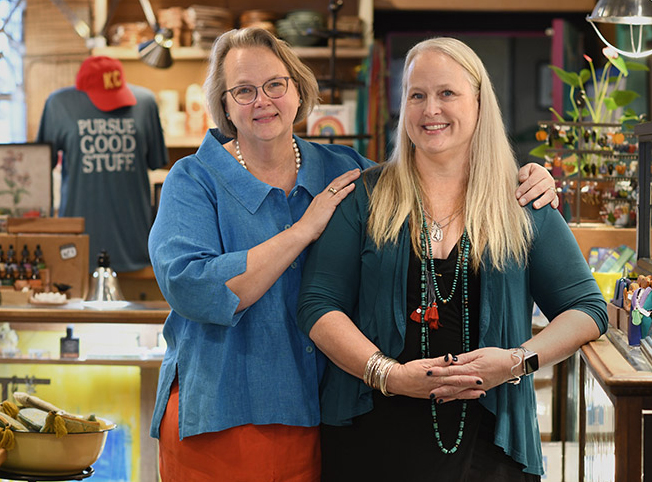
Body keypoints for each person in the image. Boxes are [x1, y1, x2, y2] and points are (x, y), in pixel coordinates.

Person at [148, 27, 558, 481]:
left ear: (298, 91)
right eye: (242, 91)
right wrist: (303, 230)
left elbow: (429, 176)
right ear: (224, 104)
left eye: (274, 85)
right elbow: (194, 289)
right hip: (223, 412)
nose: (261, 100)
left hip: (315, 414)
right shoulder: (194, 178)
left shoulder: (342, 168)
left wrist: (527, 177)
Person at [297, 37, 608, 481]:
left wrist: (517, 361)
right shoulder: (365, 196)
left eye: (447, 93)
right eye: (417, 95)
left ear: (479, 103)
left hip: (489, 440)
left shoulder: (519, 199)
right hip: (370, 437)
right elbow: (317, 304)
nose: (430, 110)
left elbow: (589, 310)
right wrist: (388, 374)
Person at [36, 56, 168, 273]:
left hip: (134, 243)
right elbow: (40, 167)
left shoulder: (145, 103)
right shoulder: (59, 105)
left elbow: (156, 162)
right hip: (78, 243)